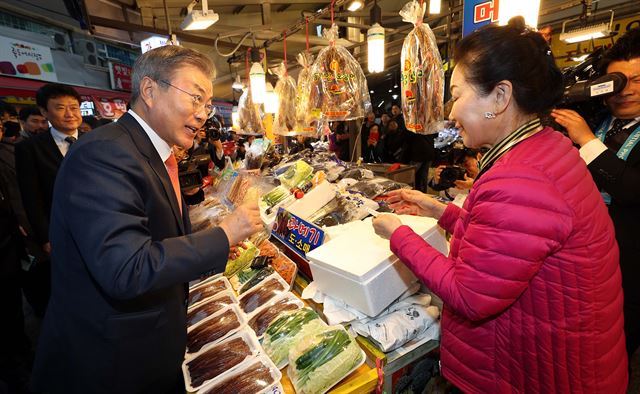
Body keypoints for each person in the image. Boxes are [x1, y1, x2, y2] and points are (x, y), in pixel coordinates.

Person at [372, 20, 627, 393]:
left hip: (543, 375)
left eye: (457, 95)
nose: (451, 112)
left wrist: (399, 235)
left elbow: (470, 294)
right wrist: (438, 210)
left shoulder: (521, 178)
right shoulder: (545, 147)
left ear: (499, 97)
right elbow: (507, 243)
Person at [30, 45, 262, 393]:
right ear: (150, 91)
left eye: (207, 104)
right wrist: (224, 235)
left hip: (146, 347)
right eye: (195, 98)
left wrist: (209, 241)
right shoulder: (105, 153)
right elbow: (126, 268)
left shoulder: (153, 152)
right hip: (110, 364)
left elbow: (152, 233)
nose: (203, 115)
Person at [551, 27, 640, 373]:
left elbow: (633, 189)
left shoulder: (589, 132)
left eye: (636, 80)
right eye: (618, 81)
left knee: (612, 359)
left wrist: (587, 141)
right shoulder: (598, 122)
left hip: (629, 275)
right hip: (582, 268)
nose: (626, 90)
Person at [15, 83, 83, 318]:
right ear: (44, 112)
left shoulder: (97, 140)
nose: (69, 114)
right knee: (68, 289)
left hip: (99, 227)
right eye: (60, 108)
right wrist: (45, 237)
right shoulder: (30, 148)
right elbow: (31, 198)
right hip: (60, 232)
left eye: (74, 107)